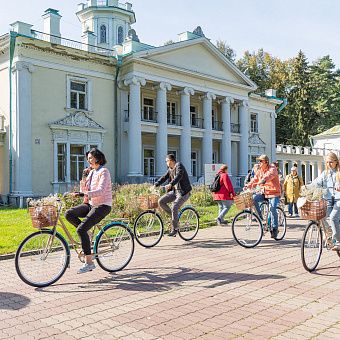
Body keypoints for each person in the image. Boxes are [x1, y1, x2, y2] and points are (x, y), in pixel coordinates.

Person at [65, 148, 112, 273]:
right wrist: (83, 178)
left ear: (97, 158)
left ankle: (89, 262)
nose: (88, 160)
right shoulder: (91, 172)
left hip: (103, 206)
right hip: (91, 204)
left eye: (90, 158)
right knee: (68, 213)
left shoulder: (104, 172)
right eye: (88, 158)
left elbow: (101, 191)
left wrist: (82, 194)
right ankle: (87, 233)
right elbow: (85, 190)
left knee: (81, 229)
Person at [154, 154, 192, 236]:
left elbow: (179, 176)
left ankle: (175, 228)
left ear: (171, 160)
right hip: (175, 192)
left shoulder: (179, 165)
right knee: (161, 201)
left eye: (166, 161)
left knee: (174, 206)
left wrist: (171, 184)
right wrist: (156, 184)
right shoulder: (170, 169)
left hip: (183, 192)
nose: (166, 163)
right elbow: (164, 177)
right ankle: (174, 218)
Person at [244, 154, 281, 238]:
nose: (259, 162)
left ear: (266, 162)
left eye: (261, 161)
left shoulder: (272, 168)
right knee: (254, 199)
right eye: (259, 161)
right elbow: (255, 179)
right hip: (264, 192)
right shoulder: (260, 170)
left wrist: (263, 180)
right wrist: (248, 185)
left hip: (273, 193)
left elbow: (269, 175)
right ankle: (261, 219)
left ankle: (275, 229)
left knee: (272, 209)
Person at [312, 152, 340, 251]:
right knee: (320, 215)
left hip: (338, 200)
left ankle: (338, 241)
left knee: (332, 218)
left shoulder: (339, 173)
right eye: (327, 162)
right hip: (328, 200)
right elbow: (316, 182)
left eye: (331, 162)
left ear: (336, 162)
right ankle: (329, 232)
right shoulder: (325, 173)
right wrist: (308, 187)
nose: (328, 164)